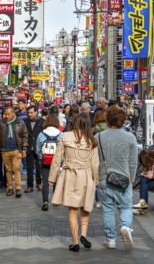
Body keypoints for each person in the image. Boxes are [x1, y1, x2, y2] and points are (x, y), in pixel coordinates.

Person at [49, 113, 99, 252]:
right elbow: (95, 163)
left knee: (72, 210)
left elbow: (57, 158)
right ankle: (83, 234)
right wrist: (97, 180)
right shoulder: (92, 140)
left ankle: (75, 242)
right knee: (85, 207)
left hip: (70, 175)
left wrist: (52, 177)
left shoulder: (65, 137)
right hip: (86, 175)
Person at [97, 105, 138, 250]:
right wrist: (132, 179)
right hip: (124, 179)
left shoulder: (99, 137)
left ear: (107, 120)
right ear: (123, 120)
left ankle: (110, 239)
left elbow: (95, 160)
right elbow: (133, 162)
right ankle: (125, 226)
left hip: (104, 178)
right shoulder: (130, 137)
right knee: (126, 206)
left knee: (107, 209)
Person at [0, 107, 28, 198]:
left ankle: (18, 188)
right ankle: (10, 188)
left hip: (16, 149)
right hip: (5, 150)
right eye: (5, 114)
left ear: (13, 114)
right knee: (8, 170)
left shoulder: (20, 122)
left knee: (16, 169)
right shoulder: (1, 123)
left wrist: (24, 149)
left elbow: (24, 136)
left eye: (8, 114)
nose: (6, 116)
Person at [36, 113, 62, 211]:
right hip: (57, 161)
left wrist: (41, 157)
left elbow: (38, 149)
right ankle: (55, 200)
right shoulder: (61, 134)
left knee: (45, 181)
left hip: (45, 161)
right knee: (56, 180)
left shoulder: (42, 134)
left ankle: (45, 202)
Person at [133, 131, 154, 212]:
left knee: (144, 183)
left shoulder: (152, 151)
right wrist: (147, 173)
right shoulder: (149, 153)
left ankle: (143, 205)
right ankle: (143, 204)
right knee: (144, 180)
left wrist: (153, 176)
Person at [24, 105, 44, 193]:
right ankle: (30, 185)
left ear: (36, 112)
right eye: (28, 113)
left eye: (32, 112)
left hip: (39, 147)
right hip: (29, 147)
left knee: (39, 167)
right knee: (29, 167)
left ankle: (39, 183)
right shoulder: (24, 122)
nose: (30, 114)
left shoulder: (42, 121)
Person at [15, 99, 28, 173]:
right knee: (21, 150)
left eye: (20, 104)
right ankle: (24, 166)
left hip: (27, 134)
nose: (19, 105)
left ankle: (28, 166)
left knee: (26, 150)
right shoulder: (16, 113)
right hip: (19, 135)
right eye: (18, 104)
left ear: (25, 104)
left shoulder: (28, 113)